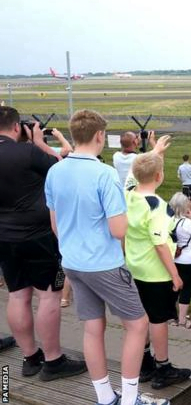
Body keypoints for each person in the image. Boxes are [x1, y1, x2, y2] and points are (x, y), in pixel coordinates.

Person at [45, 110, 167, 405]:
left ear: (74, 135)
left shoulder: (56, 170)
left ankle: (104, 396)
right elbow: (117, 229)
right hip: (104, 263)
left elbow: (54, 224)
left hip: (72, 262)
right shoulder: (104, 174)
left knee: (92, 326)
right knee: (138, 325)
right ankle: (129, 398)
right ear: (100, 136)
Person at [0, 107, 85, 381]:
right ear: (16, 127)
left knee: (17, 295)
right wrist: (38, 143)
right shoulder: (27, 153)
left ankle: (30, 357)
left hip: (4, 237)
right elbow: (64, 167)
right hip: (39, 236)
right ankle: (53, 360)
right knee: (49, 295)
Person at [125, 153, 191, 389]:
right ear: (159, 176)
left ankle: (144, 363)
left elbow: (130, 179)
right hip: (155, 272)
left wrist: (155, 151)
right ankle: (163, 367)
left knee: (140, 318)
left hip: (134, 267)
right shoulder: (158, 207)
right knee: (158, 319)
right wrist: (175, 274)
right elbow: (160, 243)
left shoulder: (129, 195)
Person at [168, 193, 191, 329]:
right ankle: (182, 320)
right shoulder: (188, 224)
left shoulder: (169, 220)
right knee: (186, 289)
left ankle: (171, 316)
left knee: (175, 287)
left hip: (175, 258)